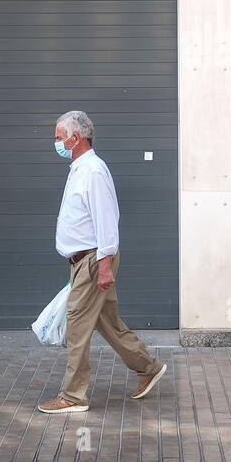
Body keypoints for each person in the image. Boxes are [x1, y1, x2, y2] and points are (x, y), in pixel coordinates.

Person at [38, 110, 167, 415]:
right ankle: (148, 367)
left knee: (78, 326)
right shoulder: (81, 169)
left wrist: (105, 266)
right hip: (85, 261)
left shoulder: (93, 171)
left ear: (75, 138)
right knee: (107, 322)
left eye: (58, 137)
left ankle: (73, 395)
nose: (55, 142)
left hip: (94, 260)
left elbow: (107, 220)